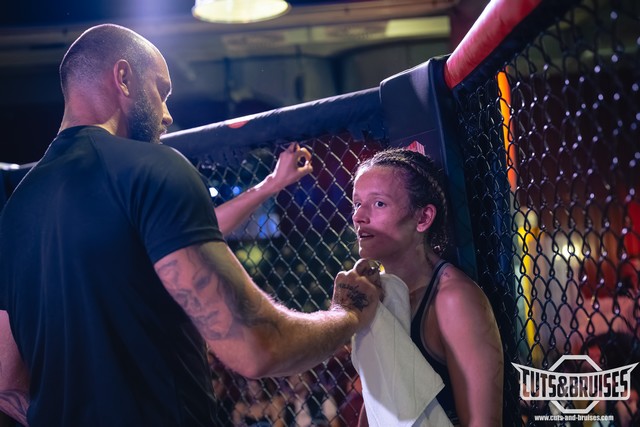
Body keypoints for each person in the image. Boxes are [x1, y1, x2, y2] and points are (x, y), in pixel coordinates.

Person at [0, 23, 382, 427]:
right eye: (161, 90)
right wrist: (348, 314)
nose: (167, 114)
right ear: (124, 77)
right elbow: (257, 346)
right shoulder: (153, 167)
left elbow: (7, 381)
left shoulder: (16, 208)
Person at [351, 148, 504, 426]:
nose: (359, 216)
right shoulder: (378, 293)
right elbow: (378, 408)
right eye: (357, 203)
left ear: (423, 218)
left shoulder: (453, 299)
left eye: (379, 203)